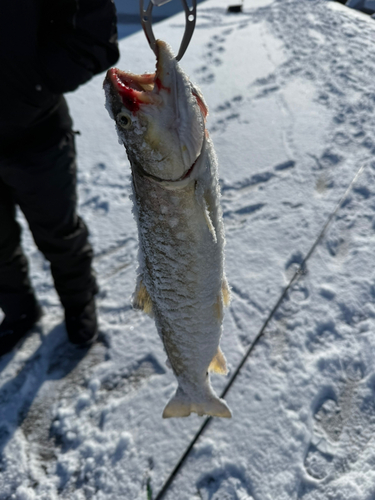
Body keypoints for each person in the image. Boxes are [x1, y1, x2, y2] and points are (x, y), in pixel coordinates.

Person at [0, 0, 120, 356]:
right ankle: (20, 309)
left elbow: (94, 35)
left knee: (59, 233)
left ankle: (79, 302)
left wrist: (39, 82)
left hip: (37, 135)